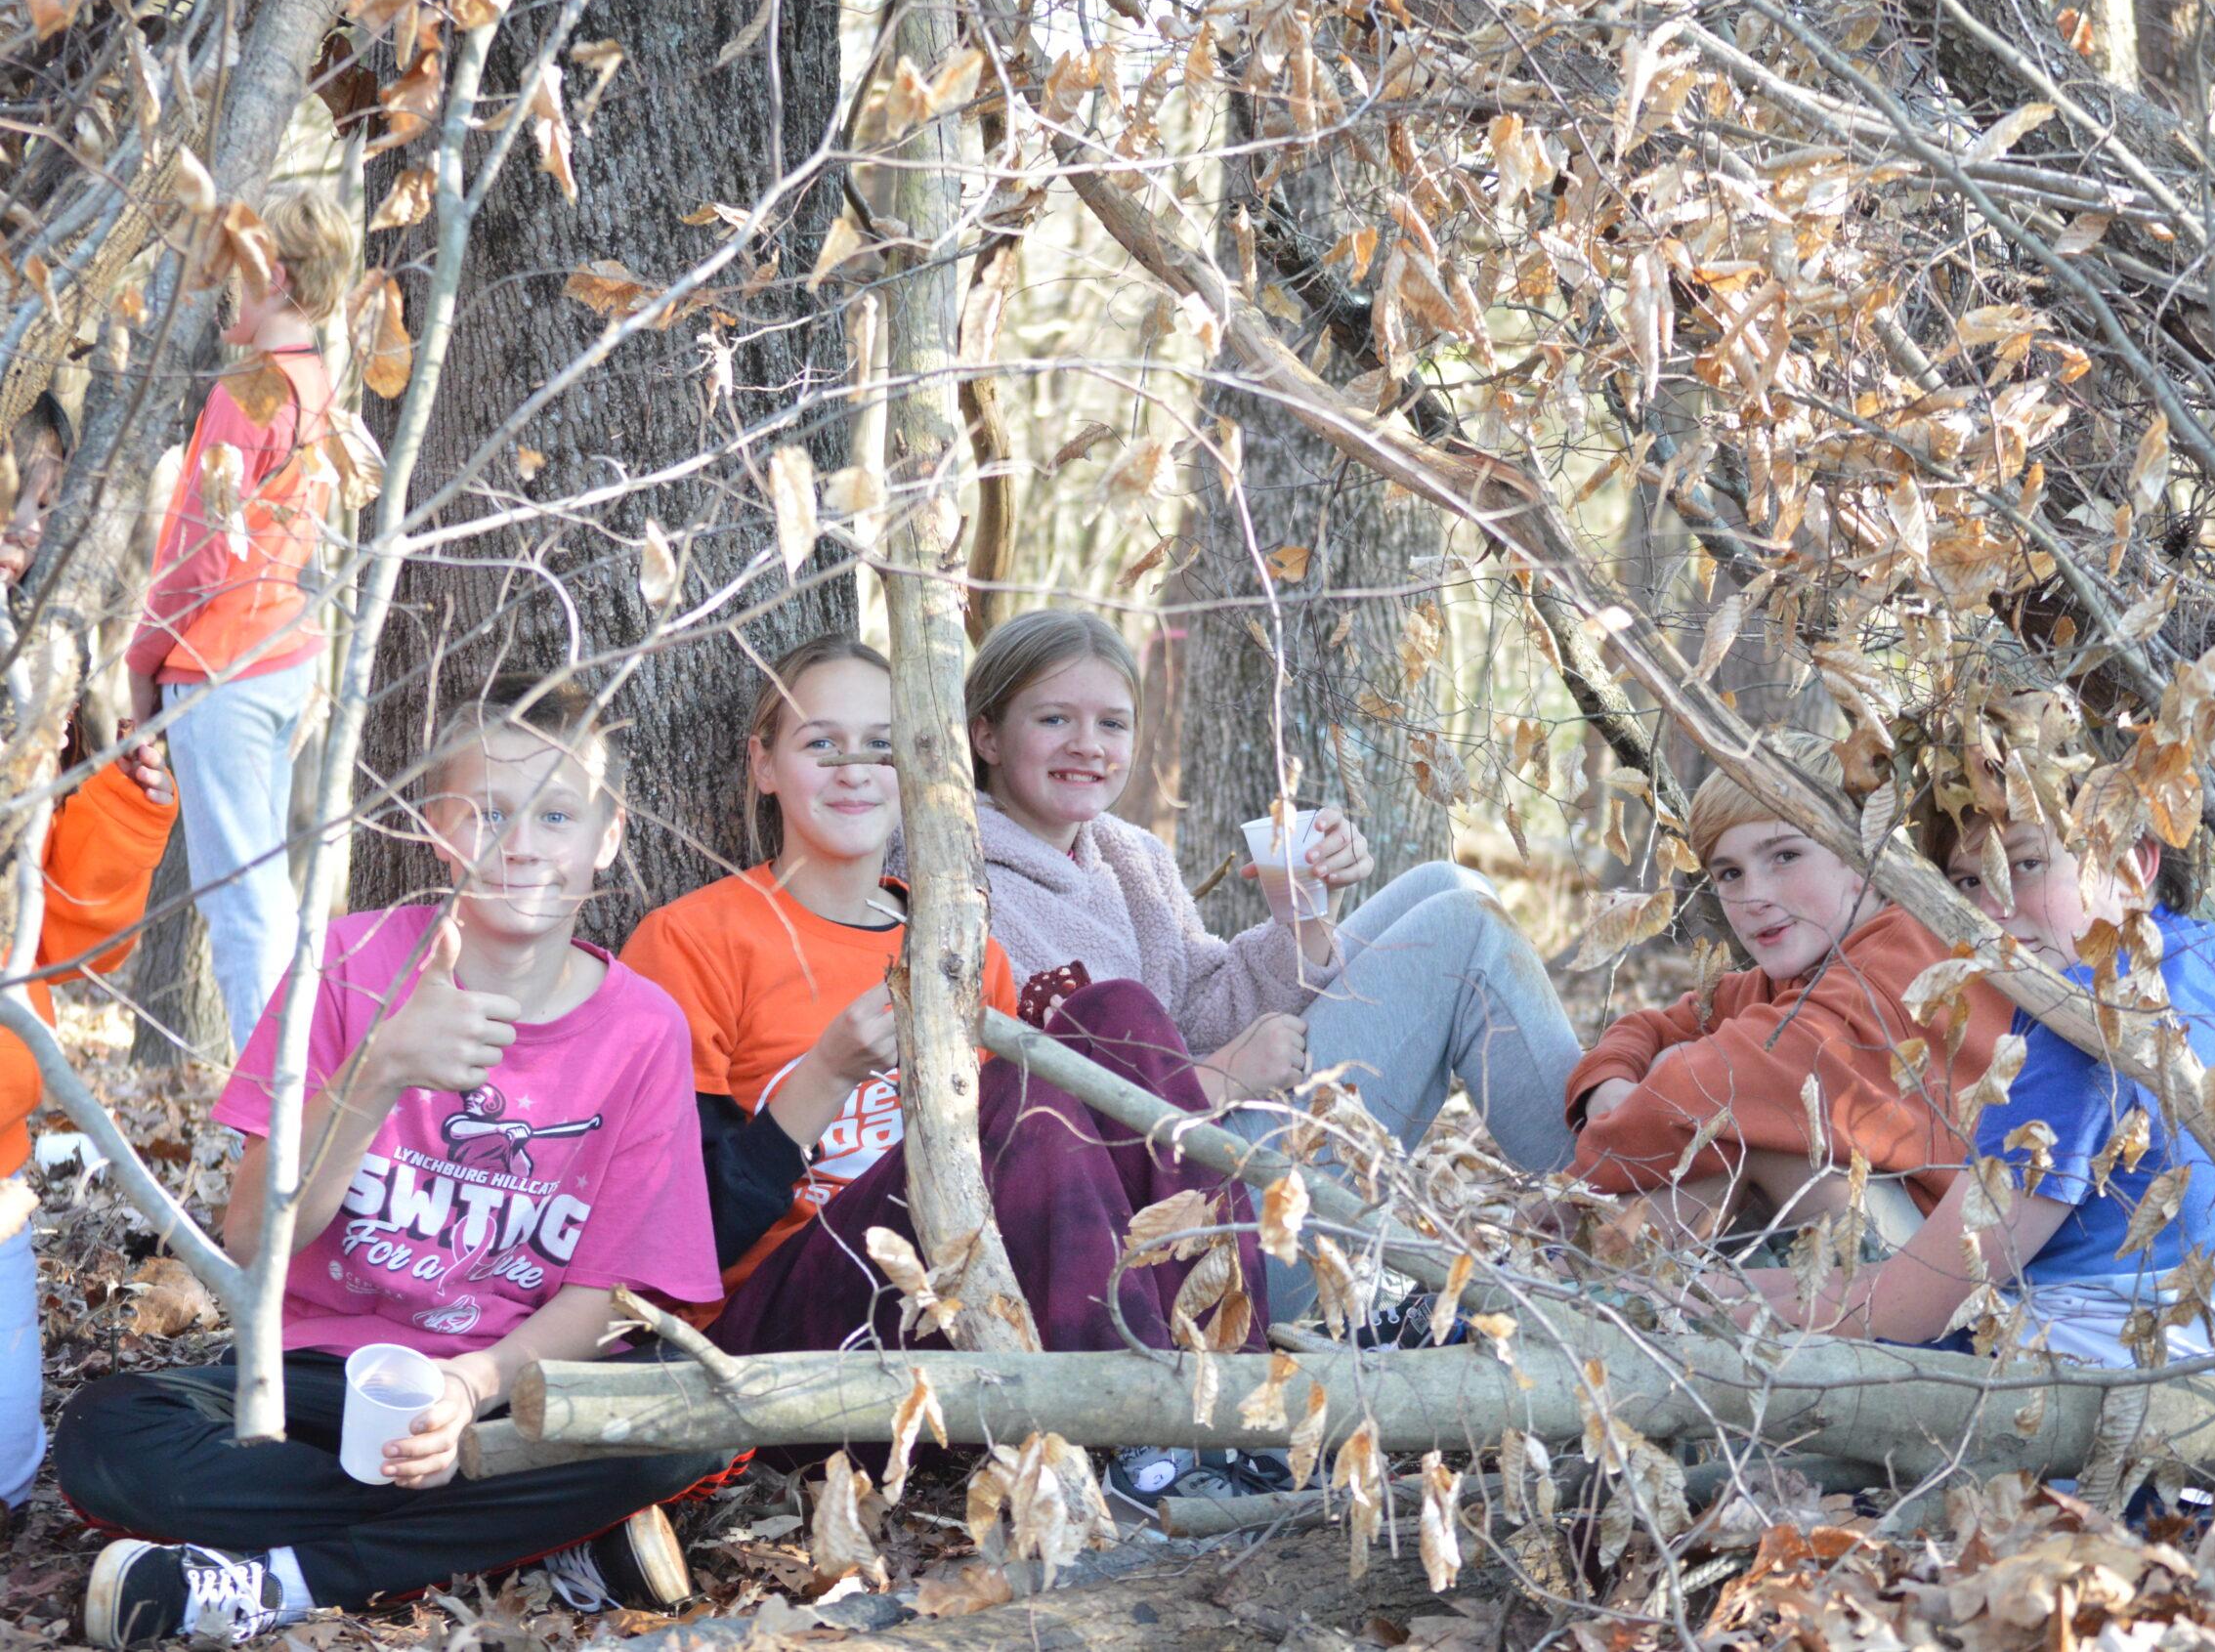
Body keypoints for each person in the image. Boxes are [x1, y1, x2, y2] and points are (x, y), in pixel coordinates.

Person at [59, 676, 738, 1647]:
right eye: (488, 812)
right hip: (321, 1381)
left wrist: (472, 1385)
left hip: (514, 1388)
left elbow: (604, 1298)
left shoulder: (642, 1030)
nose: (522, 844)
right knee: (108, 1434)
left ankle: (281, 1579)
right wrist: (377, 1073)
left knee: (697, 1413)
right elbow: (250, 1239)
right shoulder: (349, 965)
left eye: (556, 814)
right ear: (434, 825)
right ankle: (533, 1536)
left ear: (608, 835)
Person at [620, 637, 1280, 1511]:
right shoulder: (692, 941)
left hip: (964, 1303)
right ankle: (1134, 1444)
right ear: (765, 765)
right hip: (787, 1338)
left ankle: (1236, 1403)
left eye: (883, 745)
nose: (856, 770)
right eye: (822, 743)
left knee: (1118, 1016)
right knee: (1038, 1103)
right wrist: (825, 1076)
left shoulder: (961, 947)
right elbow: (670, 1247)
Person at [957, 610, 1586, 1314]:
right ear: (987, 735)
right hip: (1163, 1243)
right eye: (1053, 719)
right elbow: (1035, 1133)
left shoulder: (1128, 857)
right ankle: (1616, 1218)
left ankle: (1609, 1201)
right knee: (1461, 934)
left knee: (1450, 884)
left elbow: (1203, 1008)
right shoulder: (959, 885)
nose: (1088, 745)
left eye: (1112, 723)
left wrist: (1307, 915)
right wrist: (1218, 1079)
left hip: (1210, 1149)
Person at [1688, 716, 2215, 1367]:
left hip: (2100, 1392)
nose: (1992, 910)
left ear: (2134, 862)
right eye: (1968, 882)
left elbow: (1910, 1307)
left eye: (2025, 865)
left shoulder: (2085, 1027)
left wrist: (1695, 1304)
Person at [1566, 733, 2015, 1245]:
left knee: (1748, 1124)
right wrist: (1607, 1084)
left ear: (1864, 856)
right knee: (1714, 1099)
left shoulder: (1900, 959)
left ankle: (1581, 1264)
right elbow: (1656, 1027)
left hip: (1944, 1262)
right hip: (1878, 1237)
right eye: (1730, 873)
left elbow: (1707, 1089)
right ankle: (1585, 1263)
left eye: (1784, 856)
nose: (1753, 896)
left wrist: (1591, 1155)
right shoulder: (1797, 975)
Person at [0, 396, 180, 1530]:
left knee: (6, 1468)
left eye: (45, 501)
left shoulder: (42, 680)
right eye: (5, 496)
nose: (23, 528)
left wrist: (120, 805)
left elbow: (67, 943)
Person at [126, 188, 360, 1051]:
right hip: (279, 658)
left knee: (241, 905)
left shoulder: (255, 390)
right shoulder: (314, 380)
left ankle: (270, 1099)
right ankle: (297, 1078)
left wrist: (140, 665)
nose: (224, 282)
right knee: (265, 893)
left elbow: (198, 558)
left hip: (222, 666)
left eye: (240, 268)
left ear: (280, 277)